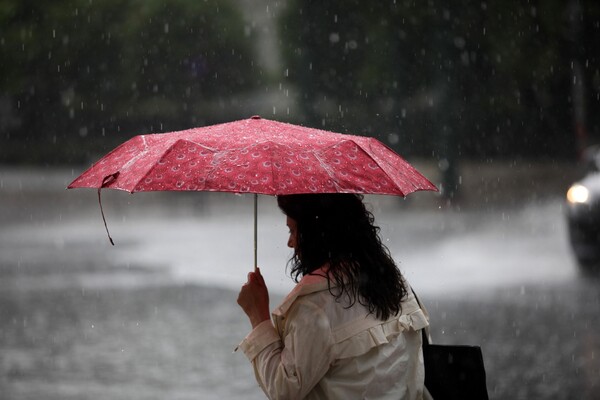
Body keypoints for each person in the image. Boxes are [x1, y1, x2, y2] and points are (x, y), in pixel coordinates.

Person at [237, 193, 432, 399]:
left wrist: (258, 316)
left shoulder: (314, 308)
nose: (290, 242)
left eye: (293, 231)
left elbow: (284, 389)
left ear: (316, 235)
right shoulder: (396, 283)